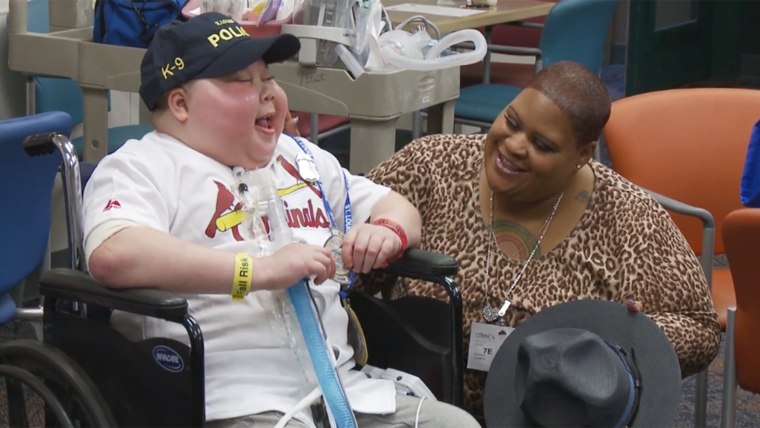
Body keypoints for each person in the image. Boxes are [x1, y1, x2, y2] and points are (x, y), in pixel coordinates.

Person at [82, 12, 479, 428]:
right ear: (180, 104)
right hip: (226, 401)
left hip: (341, 389)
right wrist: (256, 271)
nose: (268, 93)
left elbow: (397, 207)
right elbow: (115, 252)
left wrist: (385, 231)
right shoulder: (141, 166)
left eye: (267, 77)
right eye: (241, 81)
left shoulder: (300, 157)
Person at [366, 60, 722, 419]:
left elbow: (701, 329)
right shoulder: (430, 166)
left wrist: (629, 334)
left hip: (541, 416)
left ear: (582, 155)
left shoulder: (629, 219)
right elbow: (341, 260)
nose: (515, 146)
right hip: (416, 402)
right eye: (512, 122)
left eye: (542, 144)